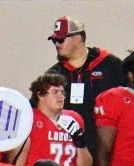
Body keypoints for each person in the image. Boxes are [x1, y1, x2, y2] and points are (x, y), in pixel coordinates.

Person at [46, 17, 127, 150]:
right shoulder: (54, 74)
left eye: (60, 40)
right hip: (69, 146)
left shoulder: (110, 64)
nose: (56, 44)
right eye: (54, 40)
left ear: (77, 38)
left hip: (108, 143)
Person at [15, 74, 92, 166]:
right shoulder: (29, 119)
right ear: (40, 95)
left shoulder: (74, 119)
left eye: (62, 92)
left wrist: (81, 142)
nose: (60, 96)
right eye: (55, 92)